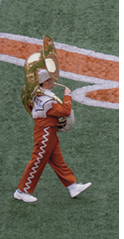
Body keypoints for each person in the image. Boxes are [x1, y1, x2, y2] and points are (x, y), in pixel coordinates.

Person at [14, 75, 89, 203]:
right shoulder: (46, 100)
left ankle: (72, 187)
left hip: (49, 133)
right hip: (45, 135)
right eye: (49, 80)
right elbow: (65, 111)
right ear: (44, 83)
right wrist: (68, 96)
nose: (53, 81)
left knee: (58, 161)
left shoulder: (40, 96)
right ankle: (21, 191)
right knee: (37, 162)